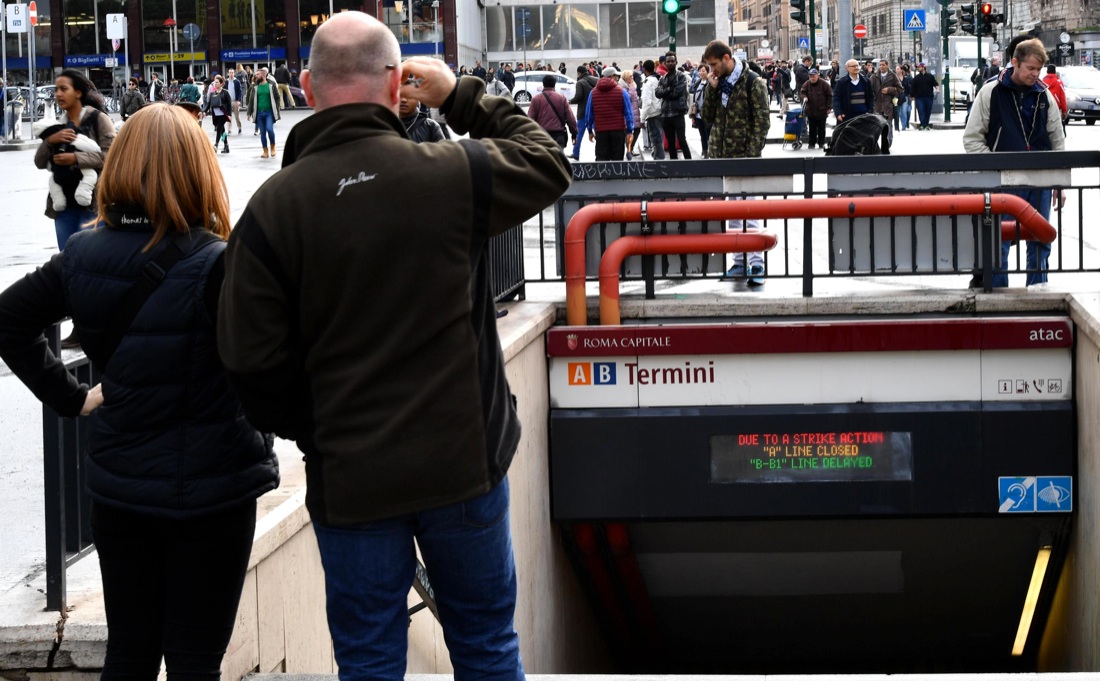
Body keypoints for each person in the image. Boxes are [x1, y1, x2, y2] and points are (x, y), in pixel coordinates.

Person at [216, 13, 569, 681]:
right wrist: (460, 94)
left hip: (353, 477)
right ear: (398, 84)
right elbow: (549, 160)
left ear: (305, 87)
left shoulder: (274, 209)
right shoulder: (450, 173)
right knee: (487, 644)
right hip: (462, 463)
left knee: (370, 660)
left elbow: (248, 359)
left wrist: (317, 428)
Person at [0, 103, 279, 681]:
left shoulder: (82, 255)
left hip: (122, 489)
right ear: (198, 170)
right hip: (214, 492)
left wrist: (72, 396)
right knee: (194, 660)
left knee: (128, 652)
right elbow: (273, 366)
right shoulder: (220, 263)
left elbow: (9, 320)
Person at [964, 38, 1065, 288]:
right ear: (1015, 63)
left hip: (1038, 179)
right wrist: (994, 168)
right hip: (1003, 181)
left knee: (1041, 241)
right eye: (1030, 68)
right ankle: (998, 295)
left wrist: (1059, 182)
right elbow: (972, 138)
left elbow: (1057, 140)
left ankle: (1038, 290)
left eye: (1039, 69)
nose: (1035, 74)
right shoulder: (991, 91)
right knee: (999, 241)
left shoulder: (1044, 94)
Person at [701, 40, 770, 287]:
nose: (712, 70)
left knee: (749, 214)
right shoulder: (718, 83)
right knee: (731, 215)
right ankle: (739, 262)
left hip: (744, 160)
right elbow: (706, 116)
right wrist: (711, 87)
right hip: (721, 159)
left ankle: (756, 264)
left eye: (714, 65)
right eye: (709, 66)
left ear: (727, 57)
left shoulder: (752, 82)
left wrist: (750, 157)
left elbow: (762, 121)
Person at [35, 70, 115, 254]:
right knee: (66, 259)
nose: (58, 94)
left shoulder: (98, 119)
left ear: (78, 92)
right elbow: (40, 163)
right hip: (63, 208)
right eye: (56, 90)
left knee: (91, 259)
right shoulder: (57, 125)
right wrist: (51, 141)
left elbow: (112, 157)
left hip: (92, 207)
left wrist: (76, 158)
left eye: (64, 89)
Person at [585, 66, 634, 161]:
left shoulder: (593, 92)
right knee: (617, 159)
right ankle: (616, 176)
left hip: (601, 131)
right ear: (611, 76)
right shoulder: (621, 91)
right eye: (616, 76)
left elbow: (589, 114)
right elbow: (628, 113)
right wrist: (629, 130)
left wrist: (590, 130)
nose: (617, 78)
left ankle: (603, 176)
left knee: (601, 159)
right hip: (618, 131)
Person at [655, 52, 691, 159]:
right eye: (668, 61)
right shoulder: (663, 78)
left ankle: (690, 163)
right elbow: (657, 93)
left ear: (676, 62)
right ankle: (673, 164)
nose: (670, 63)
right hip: (666, 114)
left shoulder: (681, 76)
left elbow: (677, 93)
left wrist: (665, 92)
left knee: (681, 140)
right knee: (670, 142)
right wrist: (670, 89)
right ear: (665, 63)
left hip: (678, 113)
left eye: (672, 61)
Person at [526, 73, 577, 150]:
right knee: (557, 160)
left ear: (543, 84)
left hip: (541, 136)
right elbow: (570, 118)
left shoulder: (536, 99)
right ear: (554, 84)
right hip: (558, 135)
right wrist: (574, 133)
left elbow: (530, 119)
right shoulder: (561, 98)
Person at [246, 70, 281, 158]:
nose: (256, 76)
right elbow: (251, 100)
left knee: (270, 129)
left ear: (263, 75)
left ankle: (273, 146)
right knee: (262, 133)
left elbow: (277, 97)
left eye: (258, 74)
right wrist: (249, 113)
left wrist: (276, 108)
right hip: (259, 113)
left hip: (269, 112)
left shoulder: (271, 85)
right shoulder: (255, 86)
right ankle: (265, 151)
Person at [569, 65, 599, 160]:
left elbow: (578, 97)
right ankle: (599, 154)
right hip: (595, 111)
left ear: (579, 73)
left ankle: (576, 153)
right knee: (598, 133)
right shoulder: (596, 80)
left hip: (583, 112)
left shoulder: (580, 83)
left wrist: (570, 101)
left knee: (579, 133)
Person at [832, 58, 874, 123]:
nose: (856, 67)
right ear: (847, 68)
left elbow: (871, 97)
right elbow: (836, 99)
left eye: (857, 65)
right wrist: (838, 113)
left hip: (864, 116)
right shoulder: (841, 82)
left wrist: (870, 111)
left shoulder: (866, 81)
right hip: (847, 117)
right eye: (853, 66)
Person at [799, 67, 832, 149]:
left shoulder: (824, 84)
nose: (812, 78)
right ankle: (811, 143)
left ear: (818, 76)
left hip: (822, 111)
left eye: (813, 76)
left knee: (822, 129)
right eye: (810, 76)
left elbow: (830, 96)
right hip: (811, 111)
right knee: (812, 128)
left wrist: (829, 108)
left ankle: (821, 143)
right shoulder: (806, 84)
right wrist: (804, 97)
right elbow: (802, 92)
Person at [870, 59, 901, 142]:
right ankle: (877, 142)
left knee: (888, 123)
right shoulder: (874, 76)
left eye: (883, 65)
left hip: (888, 105)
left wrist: (889, 90)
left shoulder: (893, 76)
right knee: (877, 124)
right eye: (880, 65)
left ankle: (888, 141)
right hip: (878, 105)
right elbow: (869, 88)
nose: (881, 67)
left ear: (887, 65)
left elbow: (900, 89)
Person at [640, 59, 665, 160]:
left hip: (653, 114)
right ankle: (658, 157)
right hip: (661, 112)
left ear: (644, 69)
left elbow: (647, 102)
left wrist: (642, 119)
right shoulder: (659, 79)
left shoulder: (647, 82)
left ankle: (659, 162)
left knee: (656, 140)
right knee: (660, 139)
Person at [203, 75, 232, 153]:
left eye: (217, 82)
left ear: (221, 83)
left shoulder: (225, 92)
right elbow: (209, 104)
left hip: (223, 114)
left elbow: (229, 104)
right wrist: (204, 111)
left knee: (219, 128)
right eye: (214, 82)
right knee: (222, 130)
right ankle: (226, 145)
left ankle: (216, 145)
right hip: (215, 114)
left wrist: (229, 114)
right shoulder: (213, 93)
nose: (215, 84)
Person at [689, 64, 711, 157]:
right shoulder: (697, 82)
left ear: (708, 72)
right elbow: (694, 97)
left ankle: (710, 150)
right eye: (700, 71)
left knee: (709, 133)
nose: (701, 73)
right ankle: (704, 150)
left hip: (707, 113)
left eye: (703, 71)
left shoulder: (710, 82)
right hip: (698, 113)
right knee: (702, 134)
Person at [911, 62, 938, 130]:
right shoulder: (916, 78)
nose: (918, 68)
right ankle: (923, 124)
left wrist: (937, 89)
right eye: (918, 67)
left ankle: (926, 124)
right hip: (919, 97)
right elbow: (913, 87)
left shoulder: (930, 76)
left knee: (928, 110)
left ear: (923, 67)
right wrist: (912, 96)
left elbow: (935, 84)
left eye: (920, 67)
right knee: (921, 110)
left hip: (929, 97)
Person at [622, 69, 642, 159]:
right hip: (629, 113)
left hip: (635, 112)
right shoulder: (623, 87)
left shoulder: (631, 86)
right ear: (626, 78)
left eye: (632, 76)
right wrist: (632, 88)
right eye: (630, 76)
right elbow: (628, 98)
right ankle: (629, 150)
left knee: (637, 130)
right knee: (629, 131)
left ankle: (630, 149)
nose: (632, 78)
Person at [1042, 64, 1068, 132]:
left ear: (1047, 71)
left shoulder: (1042, 82)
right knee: (1056, 129)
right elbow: (1062, 97)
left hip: (1044, 108)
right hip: (1056, 108)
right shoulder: (1059, 82)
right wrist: (1064, 111)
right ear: (1055, 71)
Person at [226, 67, 245, 134]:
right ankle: (229, 129)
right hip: (228, 101)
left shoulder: (237, 81)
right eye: (230, 73)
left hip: (235, 101)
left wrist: (239, 100)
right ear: (228, 73)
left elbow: (240, 91)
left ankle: (239, 127)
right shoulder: (226, 82)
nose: (231, 74)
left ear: (234, 73)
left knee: (237, 116)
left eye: (232, 73)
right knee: (229, 116)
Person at [896, 64, 913, 131]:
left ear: (901, 70)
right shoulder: (894, 78)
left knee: (904, 111)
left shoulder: (906, 78)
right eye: (896, 69)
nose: (896, 70)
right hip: (897, 97)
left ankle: (904, 125)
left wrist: (911, 96)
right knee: (899, 112)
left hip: (905, 96)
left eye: (898, 69)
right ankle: (904, 123)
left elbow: (909, 87)